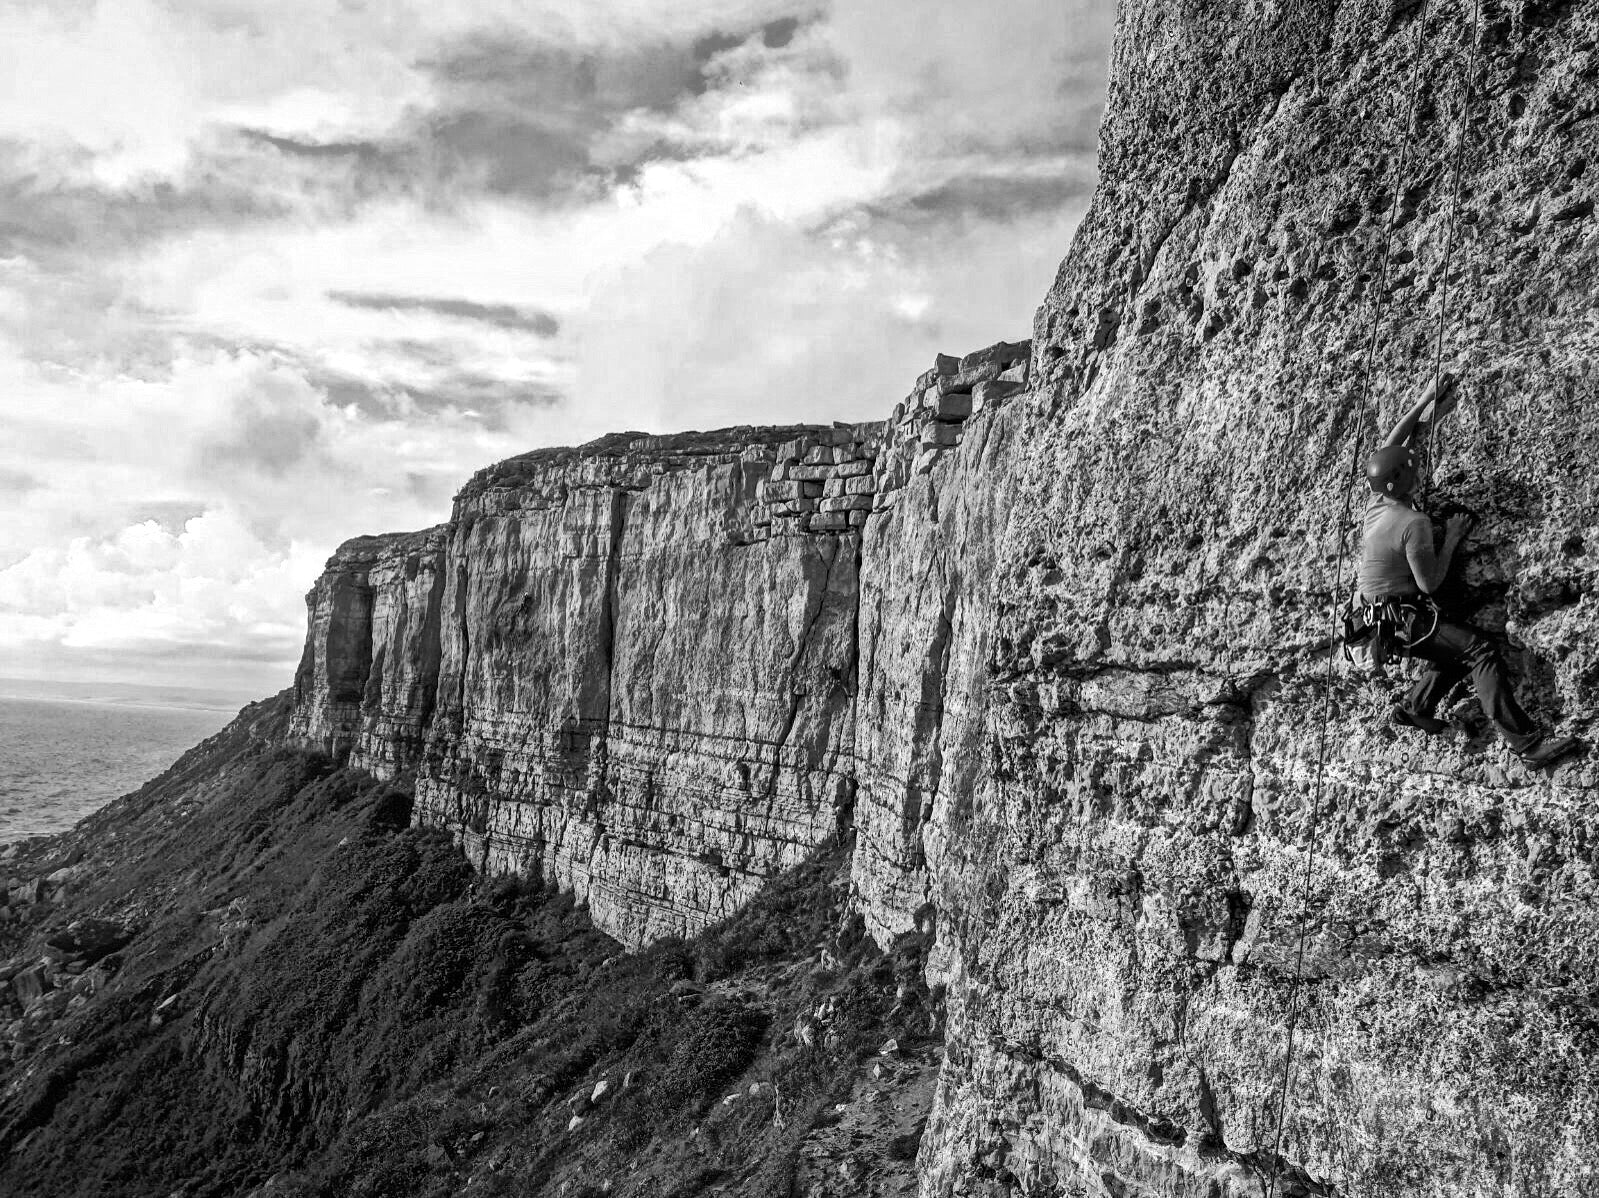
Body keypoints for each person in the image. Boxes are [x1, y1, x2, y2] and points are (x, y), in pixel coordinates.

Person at [1355, 372, 1583, 770]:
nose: (1418, 467)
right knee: (1479, 650)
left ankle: (1415, 706)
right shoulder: (1414, 524)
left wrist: (1426, 398)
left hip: (1375, 619)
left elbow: (1391, 444)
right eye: (1413, 467)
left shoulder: (1377, 502)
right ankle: (1525, 745)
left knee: (1453, 647)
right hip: (1402, 619)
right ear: (1402, 480)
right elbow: (1430, 582)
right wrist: (1454, 537)